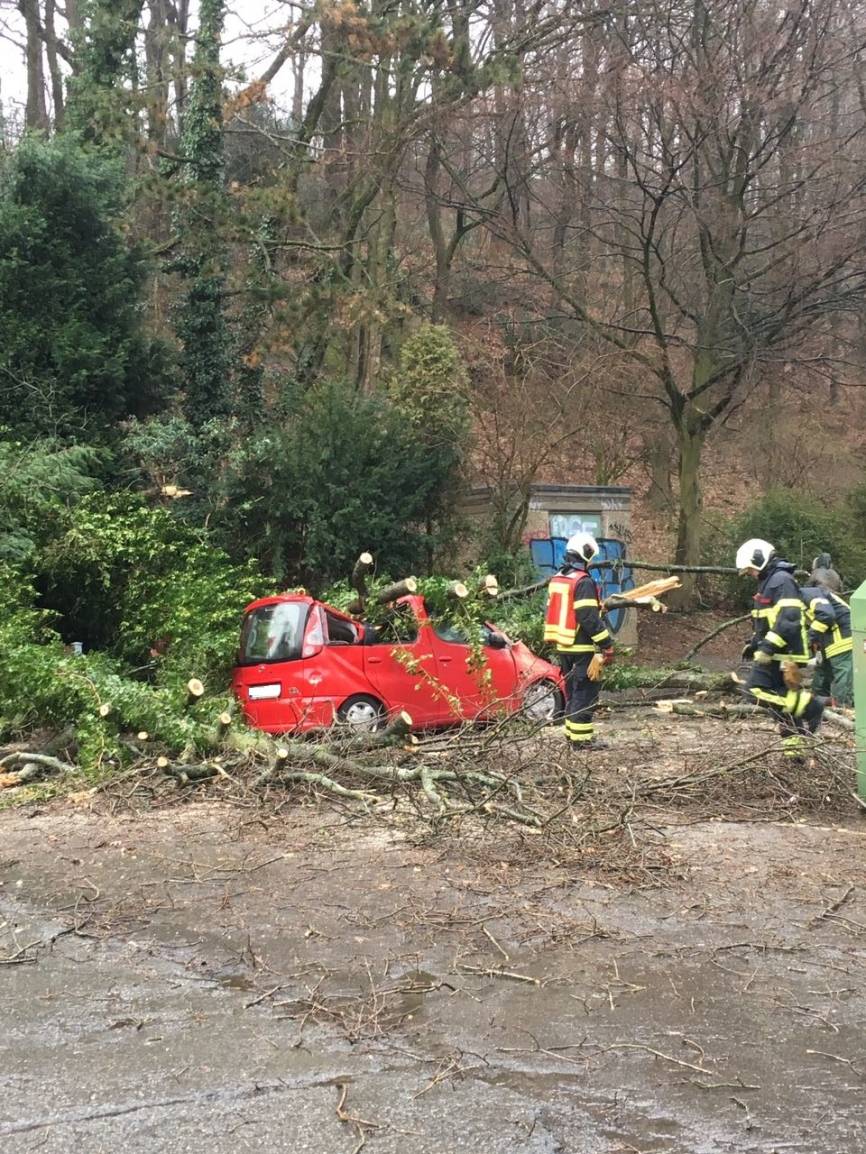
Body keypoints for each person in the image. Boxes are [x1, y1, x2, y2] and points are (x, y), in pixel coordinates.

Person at [737, 539, 825, 760]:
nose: (750, 574)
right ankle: (795, 751)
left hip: (784, 652)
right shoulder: (770, 582)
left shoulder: (780, 581)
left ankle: (811, 707)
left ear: (760, 559)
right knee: (780, 699)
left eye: (750, 569)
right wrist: (754, 644)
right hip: (779, 650)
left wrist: (766, 648)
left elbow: (789, 619)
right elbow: (768, 621)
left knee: (754, 690)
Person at [544, 532, 614, 750]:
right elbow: (588, 618)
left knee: (573, 692)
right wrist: (606, 644)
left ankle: (572, 736)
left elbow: (568, 611)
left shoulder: (558, 578)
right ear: (586, 554)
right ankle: (581, 741)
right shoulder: (583, 581)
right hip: (580, 647)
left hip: (562, 646)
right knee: (585, 694)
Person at [801, 577, 853, 707]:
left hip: (843, 634)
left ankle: (842, 704)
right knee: (823, 669)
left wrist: (809, 639)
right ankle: (818, 701)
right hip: (828, 635)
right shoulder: (805, 599)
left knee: (842, 669)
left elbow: (826, 616)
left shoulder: (809, 596)